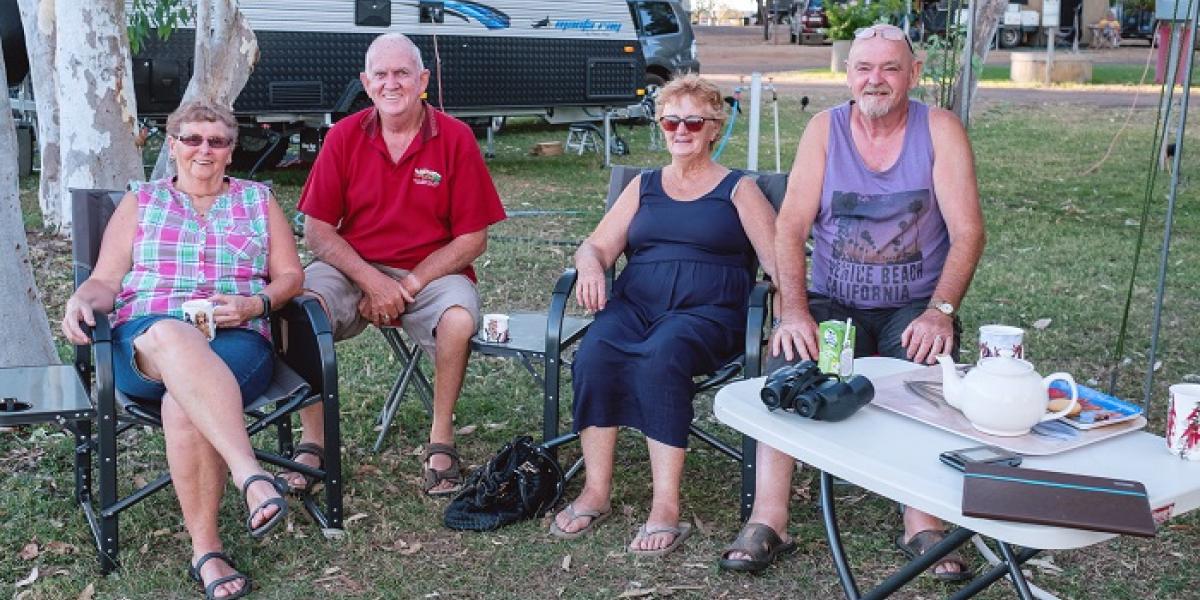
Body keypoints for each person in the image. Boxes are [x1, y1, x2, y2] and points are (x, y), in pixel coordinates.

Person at [718, 24, 986, 577]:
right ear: (848, 75)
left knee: (924, 371)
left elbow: (968, 232)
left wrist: (942, 310)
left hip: (914, 302)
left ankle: (923, 523)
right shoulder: (825, 129)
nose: (876, 79)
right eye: (864, 68)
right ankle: (769, 519)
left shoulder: (940, 129)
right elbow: (789, 228)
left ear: (914, 73)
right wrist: (793, 310)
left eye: (890, 68)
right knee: (792, 367)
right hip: (834, 299)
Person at [62, 101, 304, 600]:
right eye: (191, 139)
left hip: (236, 340)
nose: (204, 150)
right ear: (172, 146)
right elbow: (106, 280)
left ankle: (207, 550)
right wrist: (81, 299)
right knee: (173, 335)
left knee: (183, 403)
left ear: (231, 150)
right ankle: (251, 475)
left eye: (216, 141)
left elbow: (290, 277)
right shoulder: (141, 202)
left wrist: (254, 303)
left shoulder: (258, 201)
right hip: (145, 341)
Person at [550, 75, 777, 556]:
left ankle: (666, 507)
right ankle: (596, 491)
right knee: (594, 353)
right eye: (670, 120)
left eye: (693, 121)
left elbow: (778, 263)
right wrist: (589, 266)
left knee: (663, 354)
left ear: (714, 128)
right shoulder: (644, 185)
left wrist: (790, 313)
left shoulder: (740, 189)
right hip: (637, 304)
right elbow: (595, 245)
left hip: (709, 312)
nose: (681, 130)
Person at [287, 33, 506, 496]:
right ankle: (313, 441)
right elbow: (318, 231)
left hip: (430, 270)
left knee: (458, 319)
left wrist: (407, 283)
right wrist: (370, 280)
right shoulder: (344, 136)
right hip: (353, 266)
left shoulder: (455, 137)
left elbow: (473, 238)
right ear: (366, 84)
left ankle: (441, 439)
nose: (392, 83)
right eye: (381, 75)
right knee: (300, 306)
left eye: (402, 73)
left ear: (422, 79)